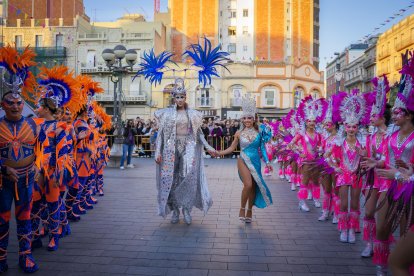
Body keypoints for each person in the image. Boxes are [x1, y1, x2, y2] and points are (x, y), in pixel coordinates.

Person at [154, 78, 216, 225]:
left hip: (188, 147)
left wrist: (208, 146)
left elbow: (199, 133)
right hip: (170, 148)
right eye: (177, 97)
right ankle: (175, 210)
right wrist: (158, 151)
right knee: (170, 179)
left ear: (185, 98)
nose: (180, 99)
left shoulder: (193, 114)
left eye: (182, 97)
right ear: (173, 98)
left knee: (187, 178)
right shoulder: (165, 114)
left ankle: (186, 209)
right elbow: (161, 134)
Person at [215, 96, 273, 223]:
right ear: (242, 119)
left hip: (256, 161)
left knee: (253, 187)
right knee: (248, 184)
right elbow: (231, 148)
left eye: (249, 118)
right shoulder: (238, 133)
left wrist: (268, 162)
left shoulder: (259, 132)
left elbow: (262, 148)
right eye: (245, 118)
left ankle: (249, 211)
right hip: (243, 160)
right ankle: (242, 208)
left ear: (254, 119)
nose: (247, 120)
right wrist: (219, 153)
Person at [0, 91, 39, 273]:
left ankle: (26, 255)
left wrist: (38, 164)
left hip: (26, 180)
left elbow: (43, 147)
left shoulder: (33, 124)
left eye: (18, 103)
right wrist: (4, 168)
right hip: (2, 181)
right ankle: (1, 258)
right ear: (3, 104)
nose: (15, 106)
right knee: (1, 219)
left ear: (23, 105)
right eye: (10, 103)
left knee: (25, 217)